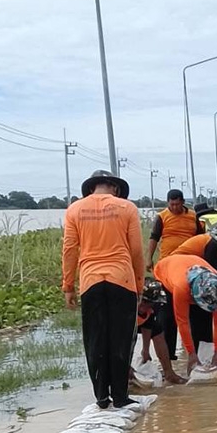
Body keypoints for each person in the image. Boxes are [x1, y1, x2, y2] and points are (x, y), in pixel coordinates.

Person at [62, 169, 145, 409]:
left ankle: (101, 396)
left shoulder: (75, 210)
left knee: (95, 340)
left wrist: (68, 286)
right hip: (122, 279)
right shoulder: (126, 208)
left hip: (90, 282)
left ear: (90, 189)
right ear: (115, 188)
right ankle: (120, 396)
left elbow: (69, 250)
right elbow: (136, 251)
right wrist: (139, 284)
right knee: (121, 339)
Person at [147, 189, 203, 357]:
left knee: (193, 310)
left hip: (190, 267)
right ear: (167, 203)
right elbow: (154, 238)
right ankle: (169, 354)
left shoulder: (193, 216)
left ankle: (196, 352)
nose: (175, 207)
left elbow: (201, 238)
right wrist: (149, 258)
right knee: (167, 314)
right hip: (167, 268)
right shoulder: (162, 217)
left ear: (183, 202)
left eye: (177, 204)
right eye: (171, 204)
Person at [153, 253, 217, 373]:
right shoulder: (181, 287)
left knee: (202, 325)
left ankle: (205, 361)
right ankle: (167, 368)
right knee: (168, 321)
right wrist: (191, 354)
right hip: (165, 273)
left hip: (191, 268)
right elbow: (183, 322)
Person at [132, 280, 187, 386]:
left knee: (158, 332)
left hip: (140, 320)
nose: (148, 309)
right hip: (124, 324)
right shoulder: (127, 303)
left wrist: (145, 350)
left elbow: (148, 326)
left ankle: (169, 373)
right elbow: (123, 340)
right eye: (145, 303)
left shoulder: (153, 307)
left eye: (150, 305)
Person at [171, 221, 217, 294]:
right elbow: (209, 267)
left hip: (181, 260)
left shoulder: (208, 239)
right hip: (179, 261)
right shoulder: (212, 243)